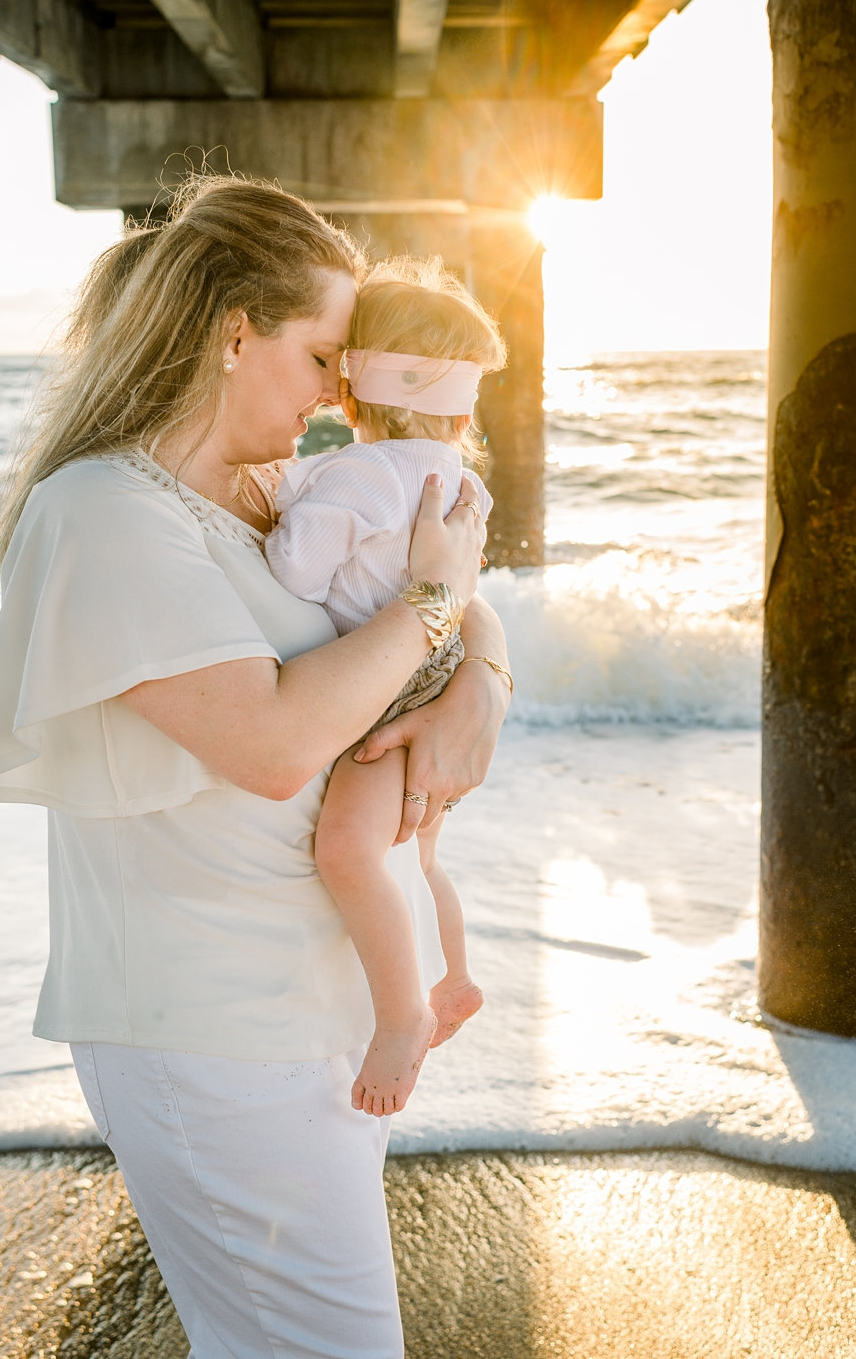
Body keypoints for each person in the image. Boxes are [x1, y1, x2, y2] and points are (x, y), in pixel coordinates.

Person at [0, 174, 511, 1359]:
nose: (339, 390)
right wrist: (433, 615)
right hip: (212, 1028)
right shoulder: (104, 512)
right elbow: (270, 743)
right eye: (322, 355)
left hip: (305, 1020)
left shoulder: (257, 496)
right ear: (234, 331)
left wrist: (484, 681)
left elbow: (447, 580)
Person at [266, 256, 509, 1118]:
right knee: (421, 852)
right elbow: (464, 591)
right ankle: (453, 977)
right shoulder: (463, 481)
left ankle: (402, 1017)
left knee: (348, 850)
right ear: (464, 405)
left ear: (349, 394)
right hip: (435, 670)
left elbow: (298, 574)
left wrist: (282, 523)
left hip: (389, 689)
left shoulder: (358, 475)